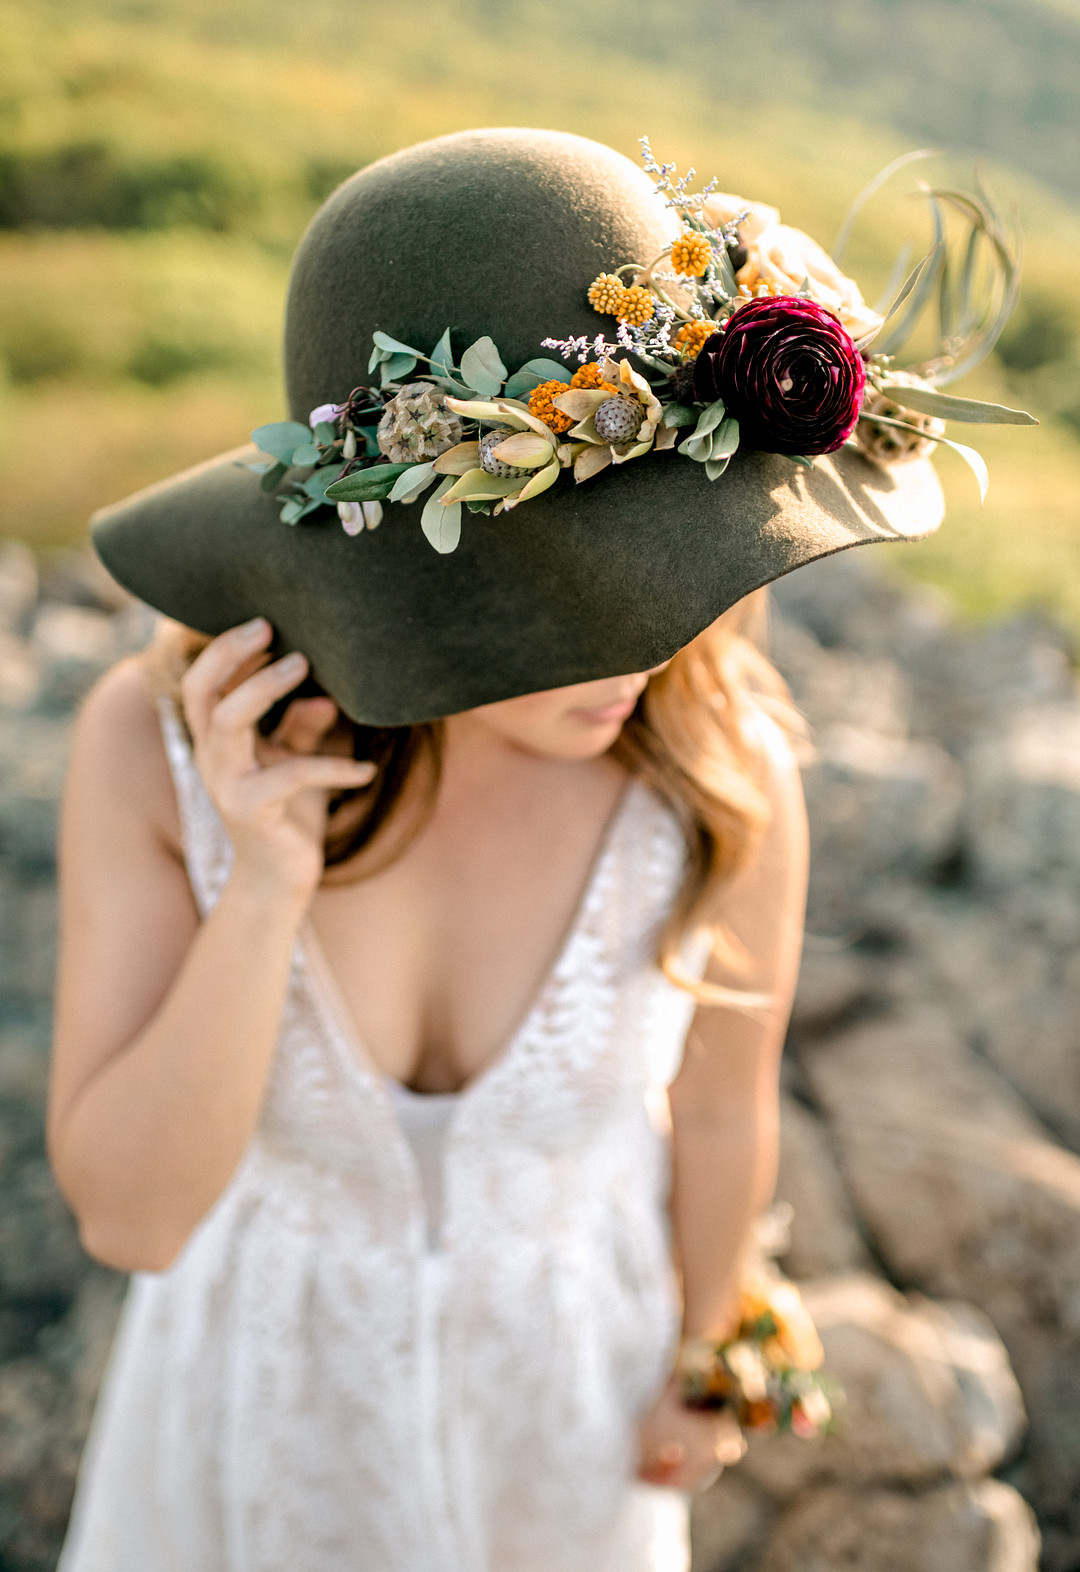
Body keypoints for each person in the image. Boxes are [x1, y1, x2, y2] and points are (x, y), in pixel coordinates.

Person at [46, 128, 947, 1572]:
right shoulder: (149, 751)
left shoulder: (721, 774)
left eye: (665, 563)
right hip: (250, 1432)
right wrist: (263, 882)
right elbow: (133, 1219)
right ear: (386, 561)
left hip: (569, 1432)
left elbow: (722, 1114)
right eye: (562, 593)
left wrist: (714, 1353)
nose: (636, 656)